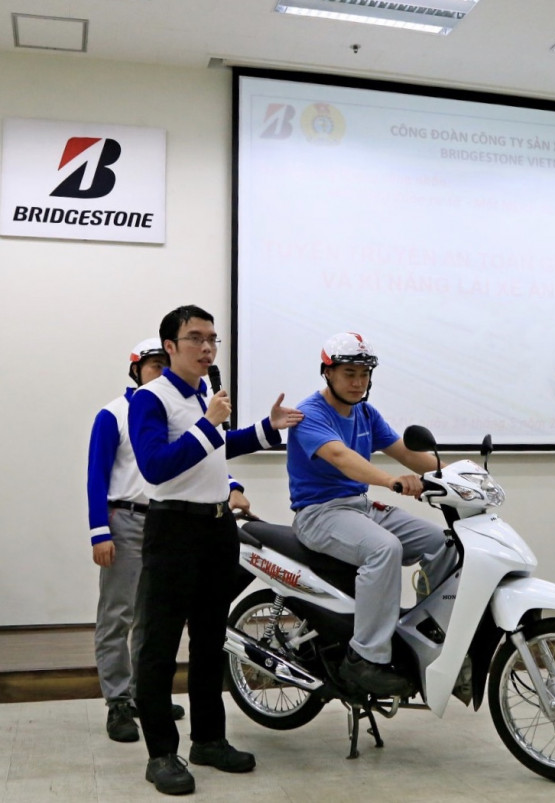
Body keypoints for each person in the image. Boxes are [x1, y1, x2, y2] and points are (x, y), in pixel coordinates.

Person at [128, 305, 304, 796]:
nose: (207, 348)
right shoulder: (151, 399)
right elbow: (156, 467)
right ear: (170, 346)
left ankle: (208, 739)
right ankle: (161, 754)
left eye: (212, 339)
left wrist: (267, 428)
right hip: (172, 529)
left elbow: (218, 448)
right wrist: (208, 425)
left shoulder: (205, 395)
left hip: (216, 527)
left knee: (210, 641)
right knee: (160, 646)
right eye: (196, 338)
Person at [88, 339, 253, 744]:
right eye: (153, 364)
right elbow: (97, 474)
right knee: (118, 614)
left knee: (152, 620)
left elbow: (203, 458)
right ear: (136, 369)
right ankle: (118, 701)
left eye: (166, 363)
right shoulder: (115, 413)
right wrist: (99, 531)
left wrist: (232, 484)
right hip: (128, 518)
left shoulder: (187, 403)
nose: (162, 370)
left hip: (172, 522)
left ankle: (146, 698)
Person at [286, 332, 458, 698]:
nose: (358, 382)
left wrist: (457, 476)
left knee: (443, 543)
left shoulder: (365, 413)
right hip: (318, 513)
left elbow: (407, 454)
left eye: (364, 374)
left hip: (359, 507)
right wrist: (390, 481)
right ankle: (364, 658)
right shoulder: (310, 414)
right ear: (328, 372)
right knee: (384, 549)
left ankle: (424, 636)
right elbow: (341, 457)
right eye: (349, 373)